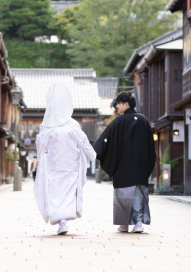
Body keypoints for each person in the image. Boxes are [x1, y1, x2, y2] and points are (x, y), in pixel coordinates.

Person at [34, 82, 96, 235]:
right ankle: (63, 222)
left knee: (55, 195)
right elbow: (83, 142)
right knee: (68, 195)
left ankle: (61, 222)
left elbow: (40, 147)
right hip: (71, 167)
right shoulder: (73, 124)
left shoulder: (47, 125)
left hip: (53, 166)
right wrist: (92, 155)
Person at [93, 91, 156, 233]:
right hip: (140, 167)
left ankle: (124, 224)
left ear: (126, 104)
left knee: (123, 195)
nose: (116, 106)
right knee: (139, 194)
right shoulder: (144, 120)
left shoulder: (118, 121)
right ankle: (138, 222)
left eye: (118, 103)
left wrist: (96, 153)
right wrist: (148, 164)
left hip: (123, 167)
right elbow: (151, 146)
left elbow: (104, 140)